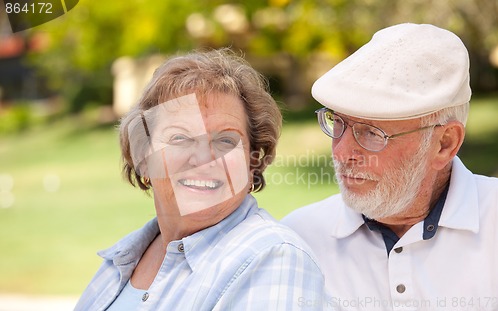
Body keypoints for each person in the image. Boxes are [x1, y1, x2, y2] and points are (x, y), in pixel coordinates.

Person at [74, 49, 326, 311]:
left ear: (252, 163)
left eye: (225, 140)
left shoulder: (273, 260)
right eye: (179, 138)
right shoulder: (121, 259)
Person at [281, 23, 498, 311]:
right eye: (338, 123)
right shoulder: (298, 239)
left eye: (372, 133)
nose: (342, 151)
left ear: (445, 143)